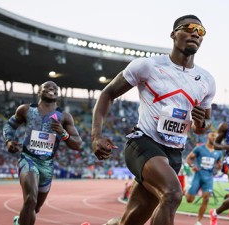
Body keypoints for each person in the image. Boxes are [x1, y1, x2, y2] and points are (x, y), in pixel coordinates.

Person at [91, 14, 216, 225]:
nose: (195, 33)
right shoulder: (148, 66)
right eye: (189, 28)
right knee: (173, 194)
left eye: (201, 31)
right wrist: (96, 136)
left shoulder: (206, 80)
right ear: (173, 34)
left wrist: (201, 123)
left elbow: (203, 127)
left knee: (131, 220)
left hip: (174, 152)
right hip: (143, 143)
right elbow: (107, 94)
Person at [2, 81, 82, 225]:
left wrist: (63, 133)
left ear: (58, 94)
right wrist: (9, 140)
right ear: (39, 92)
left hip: (47, 165)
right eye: (47, 87)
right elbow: (9, 125)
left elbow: (77, 144)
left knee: (35, 208)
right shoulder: (26, 110)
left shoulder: (64, 117)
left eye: (55, 88)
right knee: (30, 200)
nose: (51, 89)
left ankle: (19, 221)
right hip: (28, 159)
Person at [185, 132, 222, 225]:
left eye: (216, 136)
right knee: (189, 200)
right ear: (208, 136)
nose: (214, 138)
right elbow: (188, 158)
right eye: (212, 135)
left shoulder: (219, 152)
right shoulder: (199, 148)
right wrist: (192, 166)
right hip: (198, 175)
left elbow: (219, 163)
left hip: (208, 177)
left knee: (206, 199)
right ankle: (186, 190)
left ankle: (199, 221)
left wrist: (219, 166)